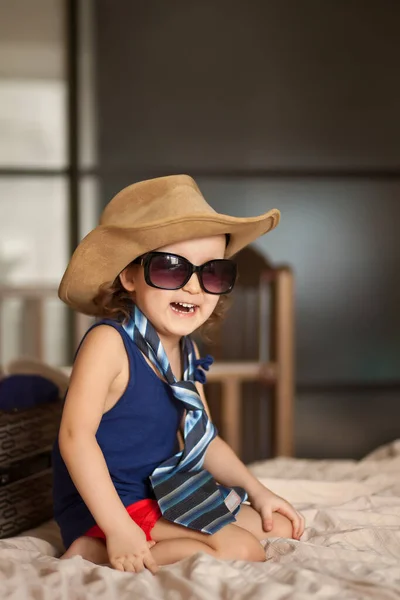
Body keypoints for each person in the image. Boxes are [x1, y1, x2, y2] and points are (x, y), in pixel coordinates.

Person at [52, 174, 305, 574]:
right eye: (171, 269)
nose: (193, 287)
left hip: (164, 493)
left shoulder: (187, 352)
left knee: (279, 527)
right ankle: (91, 549)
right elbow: (74, 437)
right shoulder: (109, 344)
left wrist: (258, 491)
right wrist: (117, 527)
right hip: (110, 504)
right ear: (129, 276)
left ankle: (163, 534)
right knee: (241, 549)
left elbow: (204, 441)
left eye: (212, 273)